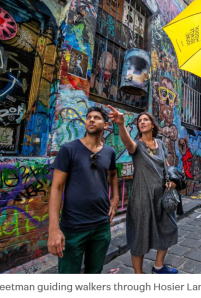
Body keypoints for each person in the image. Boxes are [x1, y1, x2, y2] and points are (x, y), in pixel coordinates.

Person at [47, 106, 119, 274]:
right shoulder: (69, 149)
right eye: (89, 117)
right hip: (73, 227)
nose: (91, 120)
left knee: (94, 273)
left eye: (96, 117)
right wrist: (53, 228)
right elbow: (56, 188)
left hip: (101, 226)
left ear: (106, 125)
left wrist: (115, 199)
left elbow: (113, 175)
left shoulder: (110, 152)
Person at [107, 107, 179, 274]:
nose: (142, 122)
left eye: (145, 120)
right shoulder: (137, 146)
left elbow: (167, 166)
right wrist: (121, 125)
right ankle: (139, 275)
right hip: (142, 198)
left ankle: (158, 266)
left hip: (162, 197)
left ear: (152, 125)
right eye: (140, 121)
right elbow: (127, 142)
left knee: (170, 228)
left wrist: (173, 181)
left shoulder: (160, 144)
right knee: (139, 237)